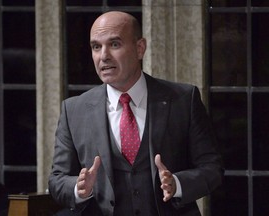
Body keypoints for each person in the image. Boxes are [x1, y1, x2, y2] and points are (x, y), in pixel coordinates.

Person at [48, 11, 223, 216]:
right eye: (96, 47)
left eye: (114, 44)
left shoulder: (183, 99)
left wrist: (176, 183)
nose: (104, 56)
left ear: (140, 48)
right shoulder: (74, 110)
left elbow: (212, 169)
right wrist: (78, 188)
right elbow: (57, 179)